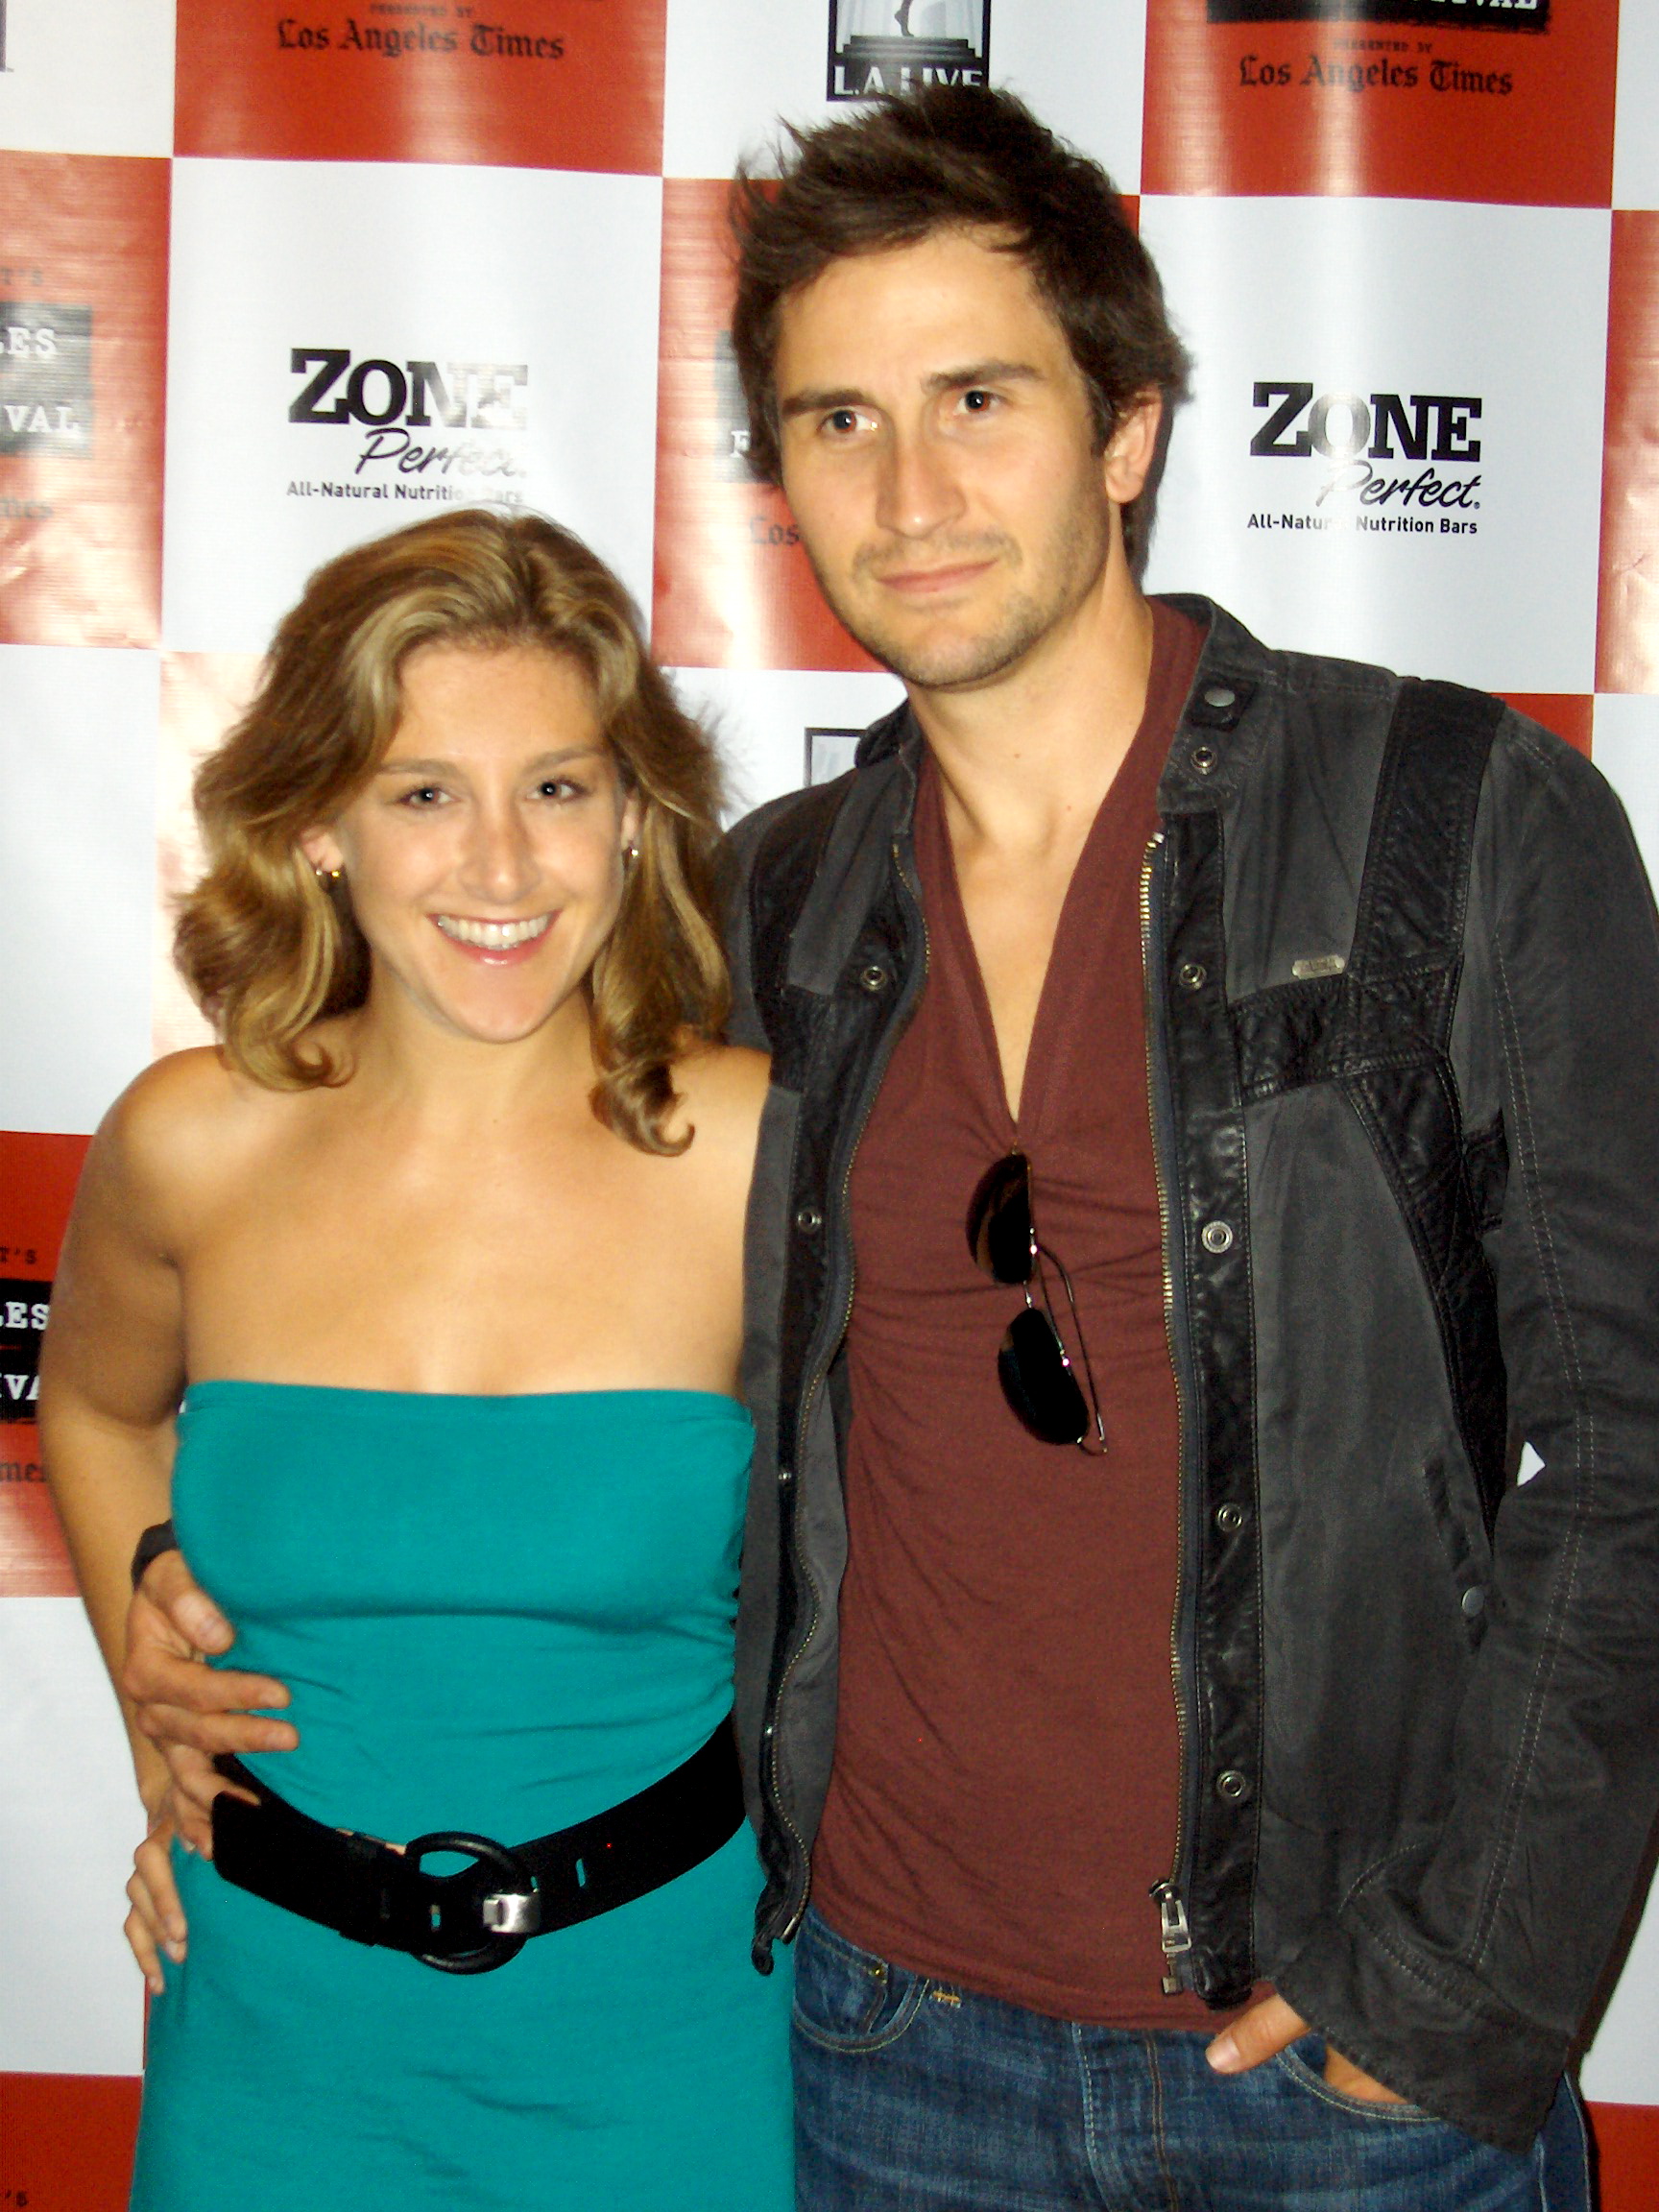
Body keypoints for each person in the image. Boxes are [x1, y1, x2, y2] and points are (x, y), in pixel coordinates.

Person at [124, 87, 1659, 2209]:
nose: (912, 490)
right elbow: (492, 1340)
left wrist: (1462, 1980)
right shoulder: (773, 907)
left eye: (977, 399)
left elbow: (1623, 1445)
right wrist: (182, 1671)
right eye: (839, 421)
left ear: (1127, 426)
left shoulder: (1455, 824)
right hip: (883, 2054)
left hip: (1340, 2073)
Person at [40, 509, 791, 2212]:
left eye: (560, 786)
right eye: (423, 792)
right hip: (269, 2037)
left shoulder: (756, 1156)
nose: (504, 869)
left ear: (636, 815)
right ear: (317, 824)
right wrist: (153, 1685)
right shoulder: (190, 1146)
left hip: (664, 2040)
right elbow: (87, 1406)